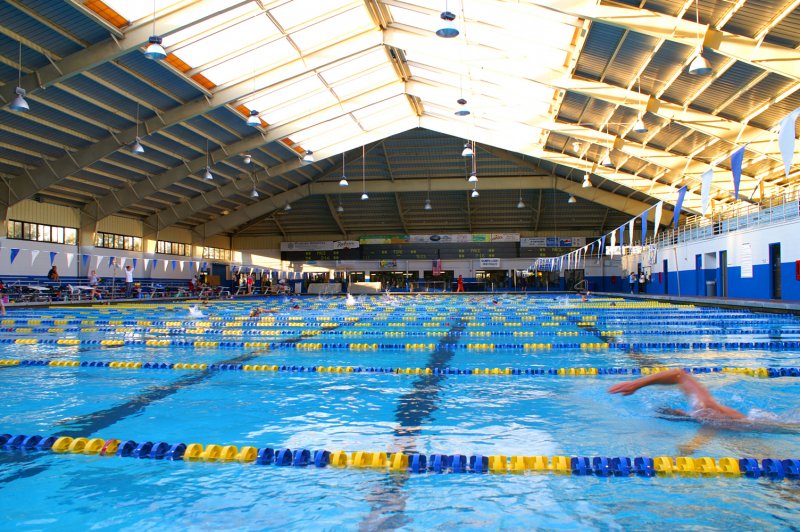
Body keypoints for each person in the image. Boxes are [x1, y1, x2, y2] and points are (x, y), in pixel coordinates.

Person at [608, 369, 745, 421]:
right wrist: (636, 384)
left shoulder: (705, 408)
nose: (679, 410)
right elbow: (679, 375)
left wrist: (636, 384)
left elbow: (679, 374)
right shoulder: (704, 412)